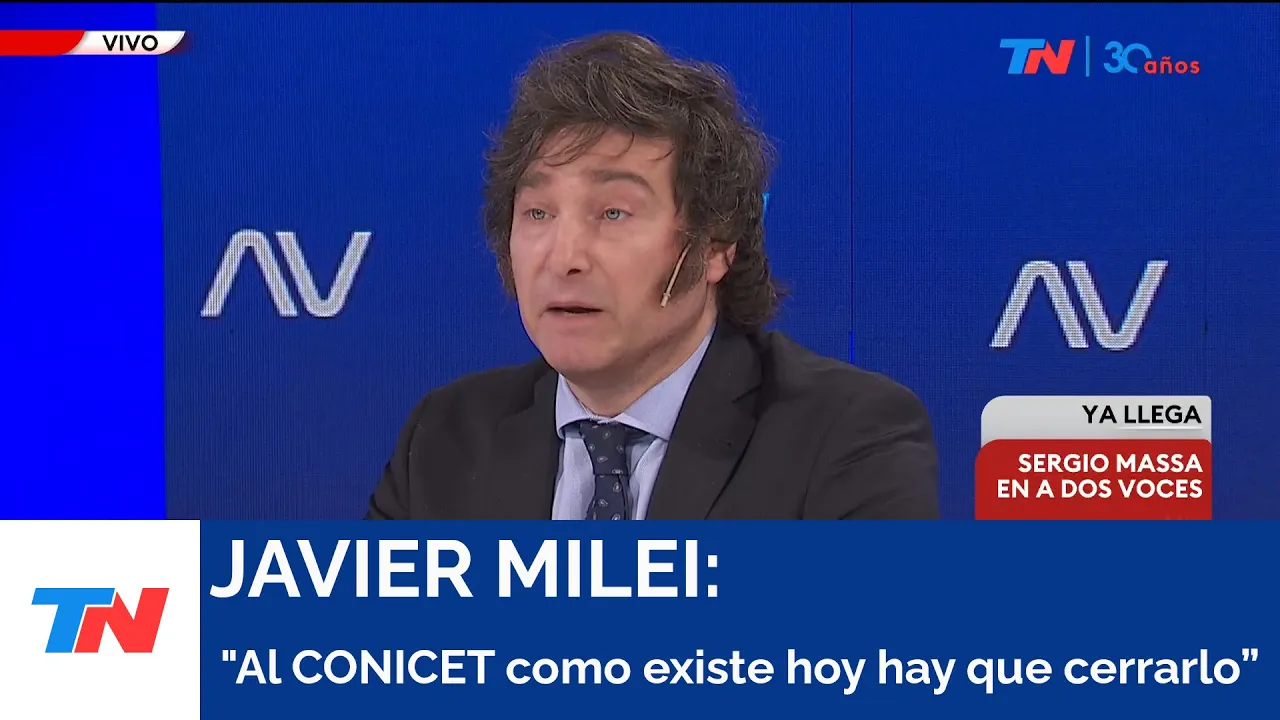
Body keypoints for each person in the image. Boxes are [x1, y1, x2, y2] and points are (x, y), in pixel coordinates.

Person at [366, 31, 938, 520]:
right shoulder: (445, 440)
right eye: (538, 213)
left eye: (613, 213)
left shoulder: (845, 436)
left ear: (715, 245)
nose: (564, 257)